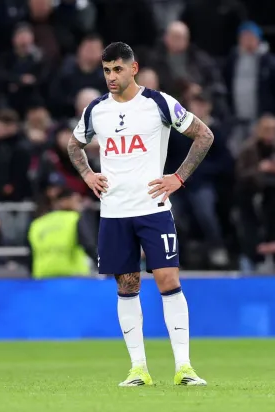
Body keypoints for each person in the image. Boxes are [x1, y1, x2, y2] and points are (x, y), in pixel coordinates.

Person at [67, 42, 212, 386]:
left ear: (134, 68)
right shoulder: (96, 110)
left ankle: (184, 368)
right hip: (114, 212)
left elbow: (203, 135)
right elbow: (74, 145)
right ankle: (138, 369)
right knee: (126, 284)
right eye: (106, 70)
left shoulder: (159, 103)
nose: (111, 77)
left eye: (117, 69)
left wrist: (178, 177)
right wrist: (88, 175)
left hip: (153, 208)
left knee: (168, 280)